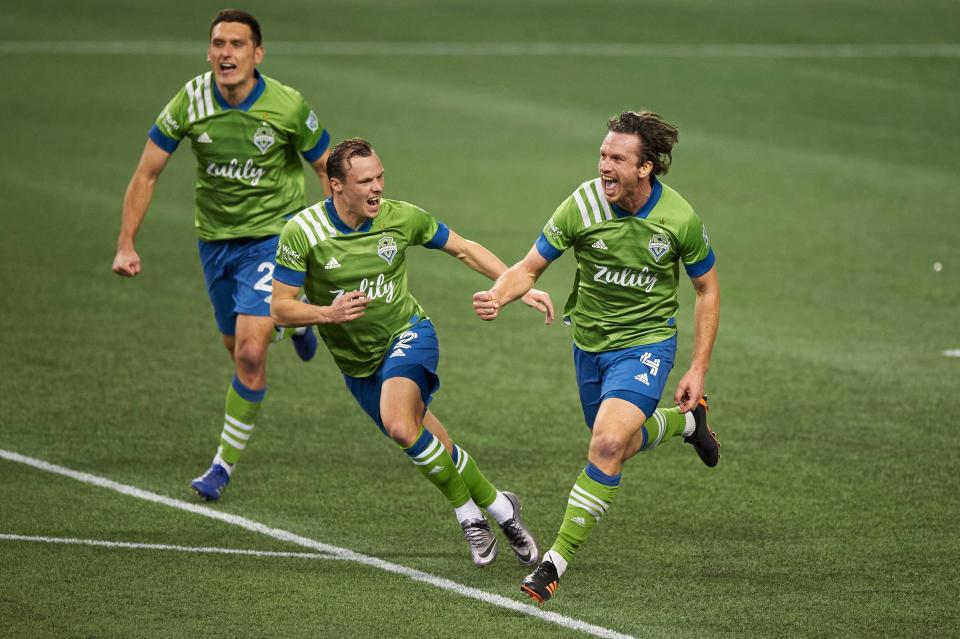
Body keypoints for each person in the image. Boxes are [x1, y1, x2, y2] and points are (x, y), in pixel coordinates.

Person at [473, 110, 721, 603]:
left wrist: (697, 366)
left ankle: (554, 562)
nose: (604, 166)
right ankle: (687, 426)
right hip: (590, 346)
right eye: (602, 155)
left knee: (606, 445)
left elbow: (707, 290)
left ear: (645, 167)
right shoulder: (581, 205)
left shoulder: (678, 219)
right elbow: (531, 266)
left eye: (617, 159)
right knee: (617, 448)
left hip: (648, 344)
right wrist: (501, 293)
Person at [271, 137, 554, 567]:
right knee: (432, 442)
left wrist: (515, 286)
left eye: (380, 176)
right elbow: (280, 308)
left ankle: (466, 516)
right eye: (365, 180)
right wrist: (327, 314)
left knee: (402, 427)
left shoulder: (400, 218)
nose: (377, 188)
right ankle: (499, 507)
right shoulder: (303, 233)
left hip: (408, 335)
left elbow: (464, 247)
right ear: (335, 186)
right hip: (356, 363)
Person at [111, 9, 331, 501]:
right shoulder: (189, 102)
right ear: (209, 51)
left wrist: (324, 232)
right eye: (218, 44)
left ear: (257, 54)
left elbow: (326, 166)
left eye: (236, 44)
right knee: (236, 351)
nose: (225, 53)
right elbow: (147, 173)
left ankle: (220, 468)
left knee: (252, 354)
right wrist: (126, 243)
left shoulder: (288, 106)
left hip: (273, 237)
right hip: (215, 242)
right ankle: (296, 321)